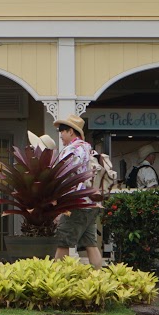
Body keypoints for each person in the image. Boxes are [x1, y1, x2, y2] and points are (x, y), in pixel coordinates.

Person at [52, 115, 105, 268]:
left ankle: (57, 281)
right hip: (91, 203)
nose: (60, 134)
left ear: (71, 132)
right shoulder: (88, 148)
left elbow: (64, 175)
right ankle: (98, 279)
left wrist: (58, 201)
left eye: (62, 130)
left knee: (63, 242)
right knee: (91, 244)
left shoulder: (71, 150)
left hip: (75, 203)